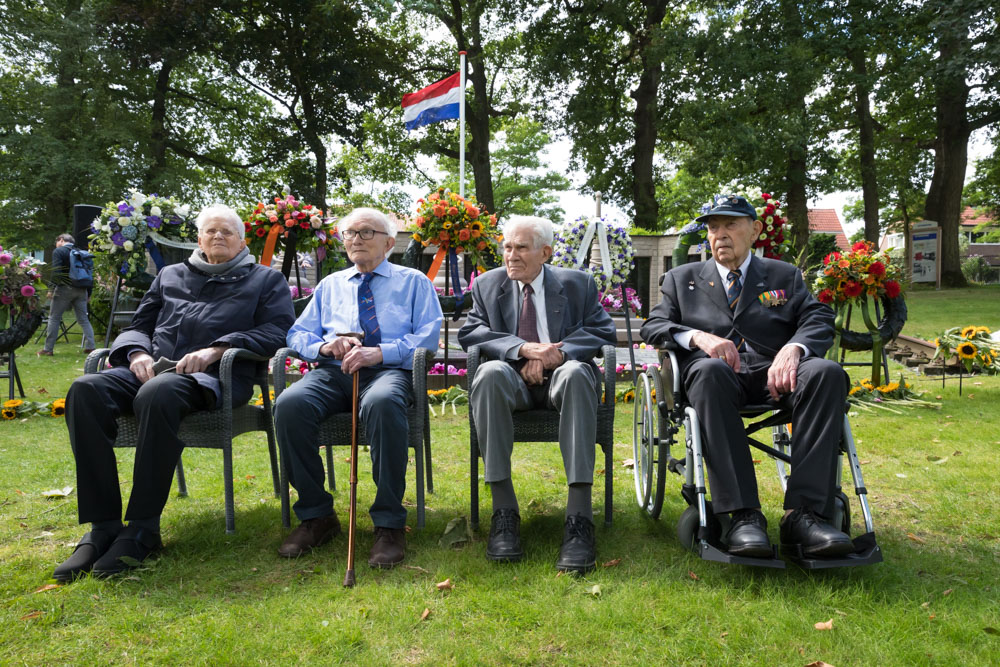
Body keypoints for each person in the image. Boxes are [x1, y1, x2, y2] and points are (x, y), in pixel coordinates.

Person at [53, 204, 295, 581]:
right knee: (85, 390)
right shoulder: (169, 275)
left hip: (216, 379)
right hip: (152, 368)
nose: (217, 237)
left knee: (159, 393)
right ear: (198, 239)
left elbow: (278, 331)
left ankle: (144, 528)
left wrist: (218, 348)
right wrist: (136, 353)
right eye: (210, 231)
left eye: (227, 232)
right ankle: (104, 527)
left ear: (242, 241)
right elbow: (139, 324)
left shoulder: (265, 280)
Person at [640, 195, 853, 559]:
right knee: (708, 371)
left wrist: (795, 349)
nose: (719, 235)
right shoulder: (682, 279)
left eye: (730, 225)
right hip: (716, 378)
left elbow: (817, 318)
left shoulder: (784, 275)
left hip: (777, 373)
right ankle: (743, 515)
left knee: (827, 373)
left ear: (754, 230)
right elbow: (654, 325)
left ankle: (804, 515)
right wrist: (697, 337)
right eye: (713, 228)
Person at [273, 207, 442, 568]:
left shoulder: (414, 282)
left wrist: (380, 353)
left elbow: (428, 339)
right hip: (334, 371)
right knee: (289, 404)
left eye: (366, 232)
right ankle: (317, 515)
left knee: (382, 403)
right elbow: (297, 333)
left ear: (389, 242)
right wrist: (323, 347)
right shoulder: (331, 284)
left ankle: (388, 523)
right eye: (349, 233)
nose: (356, 240)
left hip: (388, 371)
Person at [457, 215, 617, 573]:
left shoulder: (578, 284)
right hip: (512, 382)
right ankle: (504, 513)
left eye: (521, 248)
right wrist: (522, 350)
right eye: (507, 247)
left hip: (562, 378)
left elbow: (602, 330)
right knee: (488, 372)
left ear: (545, 252)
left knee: (578, 373)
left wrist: (557, 354)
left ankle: (579, 519)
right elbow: (471, 333)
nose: (510, 255)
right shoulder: (487, 285)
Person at [38, 233, 96, 356]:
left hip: (65, 289)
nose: (56, 245)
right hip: (82, 289)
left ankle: (48, 349)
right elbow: (89, 273)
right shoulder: (80, 252)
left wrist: (51, 289)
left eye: (57, 242)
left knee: (54, 318)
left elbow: (57, 271)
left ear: (61, 240)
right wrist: (88, 293)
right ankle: (91, 347)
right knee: (83, 319)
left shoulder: (59, 251)